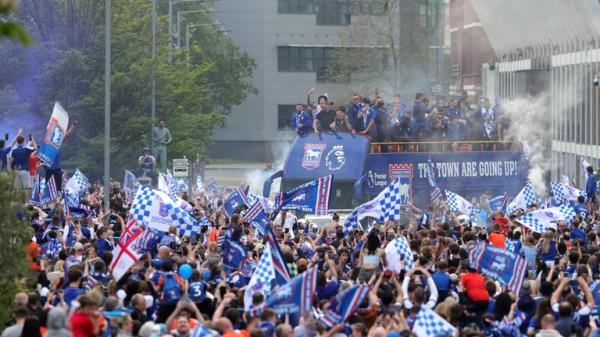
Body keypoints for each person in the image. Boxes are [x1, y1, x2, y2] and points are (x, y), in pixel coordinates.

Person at [45, 121, 77, 192]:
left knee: (55, 190)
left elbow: (66, 136)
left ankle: (56, 200)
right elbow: (66, 136)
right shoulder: (47, 146)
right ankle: (52, 200)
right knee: (50, 190)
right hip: (52, 171)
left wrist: (73, 126)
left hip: (53, 170)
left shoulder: (54, 145)